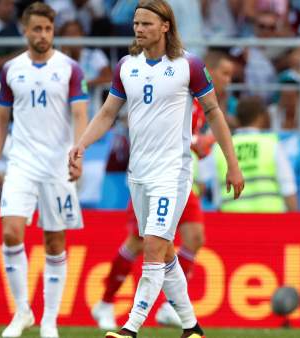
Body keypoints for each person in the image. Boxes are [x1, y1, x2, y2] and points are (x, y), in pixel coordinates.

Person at [69, 1, 244, 337]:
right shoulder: (126, 66)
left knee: (152, 244)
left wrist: (232, 165)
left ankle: (131, 326)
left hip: (172, 174)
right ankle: (192, 327)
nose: (138, 29)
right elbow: (107, 113)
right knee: (161, 250)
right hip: (139, 174)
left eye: (146, 23)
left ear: (165, 26)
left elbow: (214, 113)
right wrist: (81, 145)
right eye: (136, 23)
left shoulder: (187, 65)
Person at [0, 3, 89, 338]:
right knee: (11, 233)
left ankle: (50, 320)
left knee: (55, 241)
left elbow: (79, 115)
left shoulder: (70, 68)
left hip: (57, 165)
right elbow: (1, 122)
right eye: (37, 29)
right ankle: (22, 312)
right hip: (21, 163)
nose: (43, 35)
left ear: (53, 30)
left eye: (48, 29)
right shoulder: (10, 70)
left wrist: (78, 155)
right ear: (25, 29)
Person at [90, 101, 210, 330]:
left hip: (181, 181)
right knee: (140, 243)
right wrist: (197, 143)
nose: (227, 79)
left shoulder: (201, 100)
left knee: (195, 237)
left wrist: (199, 146)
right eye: (223, 73)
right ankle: (105, 303)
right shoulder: (169, 88)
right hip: (153, 178)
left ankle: (170, 307)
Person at [202, 96, 298, 212]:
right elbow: (288, 189)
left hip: (230, 222)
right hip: (270, 222)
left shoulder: (219, 148)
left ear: (237, 118)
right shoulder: (271, 145)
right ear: (261, 117)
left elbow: (201, 184)